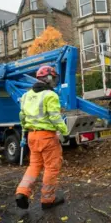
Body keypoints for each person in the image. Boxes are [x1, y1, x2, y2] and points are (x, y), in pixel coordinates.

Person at [15, 66, 69, 210]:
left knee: (34, 166)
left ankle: (22, 192)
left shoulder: (26, 95)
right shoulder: (50, 95)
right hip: (47, 137)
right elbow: (55, 117)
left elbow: (22, 117)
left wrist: (25, 132)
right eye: (54, 78)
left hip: (32, 136)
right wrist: (65, 131)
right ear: (49, 79)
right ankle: (48, 200)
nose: (55, 81)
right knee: (51, 168)